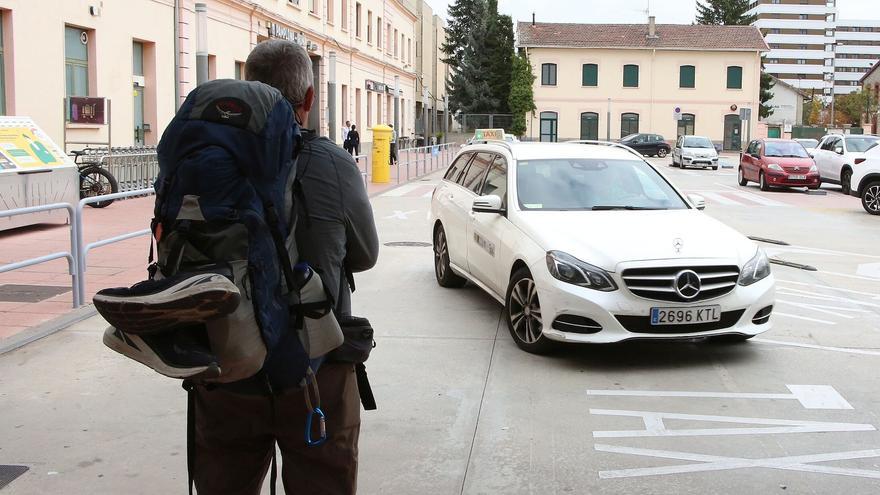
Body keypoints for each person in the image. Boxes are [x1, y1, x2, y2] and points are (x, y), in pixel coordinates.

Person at [193, 39, 379, 495]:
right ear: (309, 99)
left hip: (225, 362)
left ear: (247, 85)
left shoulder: (207, 160)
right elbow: (365, 254)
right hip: (316, 366)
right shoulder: (330, 162)